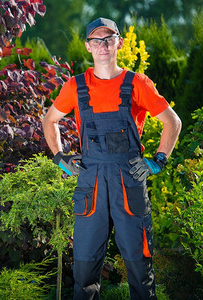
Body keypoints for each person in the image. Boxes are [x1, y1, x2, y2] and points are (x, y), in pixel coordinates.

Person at [42, 17, 181, 299]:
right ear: (88, 46)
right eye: (96, 40)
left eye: (108, 39)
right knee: (84, 269)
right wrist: (59, 157)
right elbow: (50, 120)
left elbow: (173, 122)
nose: (103, 46)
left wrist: (158, 160)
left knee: (140, 267)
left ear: (119, 42)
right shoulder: (75, 86)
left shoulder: (137, 83)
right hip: (91, 182)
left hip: (128, 182)